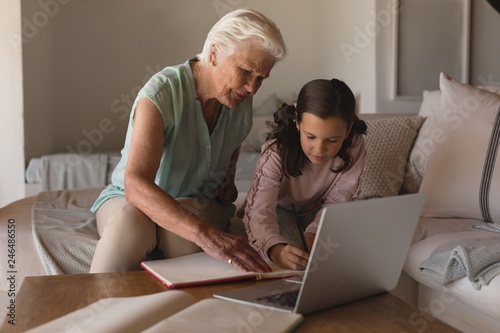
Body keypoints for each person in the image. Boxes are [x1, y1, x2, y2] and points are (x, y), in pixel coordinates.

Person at [89, 9, 286, 273]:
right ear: (214, 54)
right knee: (130, 221)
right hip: (130, 200)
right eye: (246, 71)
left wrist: (226, 180)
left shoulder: (240, 99)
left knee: (181, 231)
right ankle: (95, 309)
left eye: (261, 78)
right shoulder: (161, 93)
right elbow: (135, 185)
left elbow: (230, 157)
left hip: (196, 202)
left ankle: (186, 309)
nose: (252, 88)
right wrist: (206, 235)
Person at [242, 78, 367, 270]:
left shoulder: (355, 146)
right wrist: (275, 250)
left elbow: (339, 199)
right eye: (311, 137)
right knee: (294, 256)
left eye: (332, 140)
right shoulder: (276, 152)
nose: (319, 150)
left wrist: (314, 233)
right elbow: (261, 209)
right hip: (278, 209)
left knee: (344, 254)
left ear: (348, 129)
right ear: (298, 122)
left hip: (320, 212)